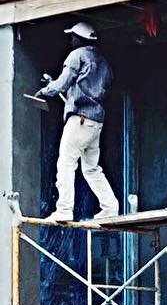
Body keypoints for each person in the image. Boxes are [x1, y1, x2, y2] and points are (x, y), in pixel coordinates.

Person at [38, 20, 119, 223]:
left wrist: (46, 90)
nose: (71, 40)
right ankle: (111, 207)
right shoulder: (104, 62)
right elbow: (88, 85)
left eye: (73, 37)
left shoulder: (77, 55)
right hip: (95, 122)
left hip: (80, 119)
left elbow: (63, 83)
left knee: (65, 162)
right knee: (91, 168)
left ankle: (64, 209)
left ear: (79, 39)